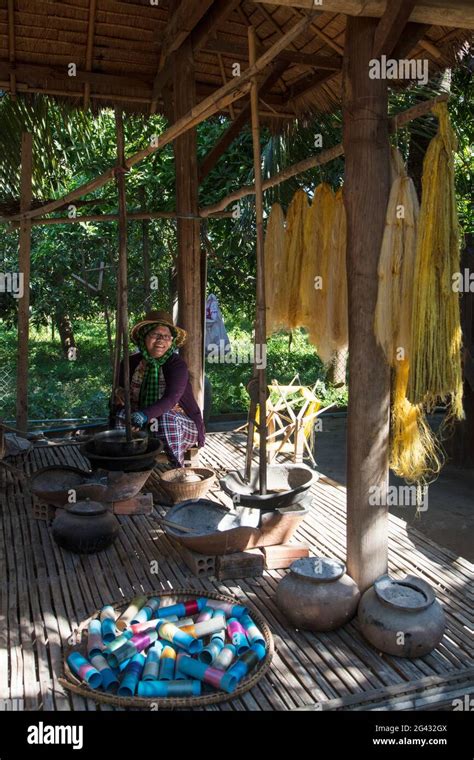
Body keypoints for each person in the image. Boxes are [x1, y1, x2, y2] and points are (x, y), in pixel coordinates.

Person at [114, 310, 205, 468]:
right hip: (141, 424)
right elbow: (120, 395)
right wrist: (120, 398)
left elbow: (171, 399)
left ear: (172, 341)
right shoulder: (129, 363)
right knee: (121, 416)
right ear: (143, 337)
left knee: (166, 417)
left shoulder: (176, 365)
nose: (161, 341)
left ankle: (178, 469)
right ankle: (129, 467)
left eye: (167, 336)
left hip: (180, 427)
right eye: (155, 335)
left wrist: (144, 415)